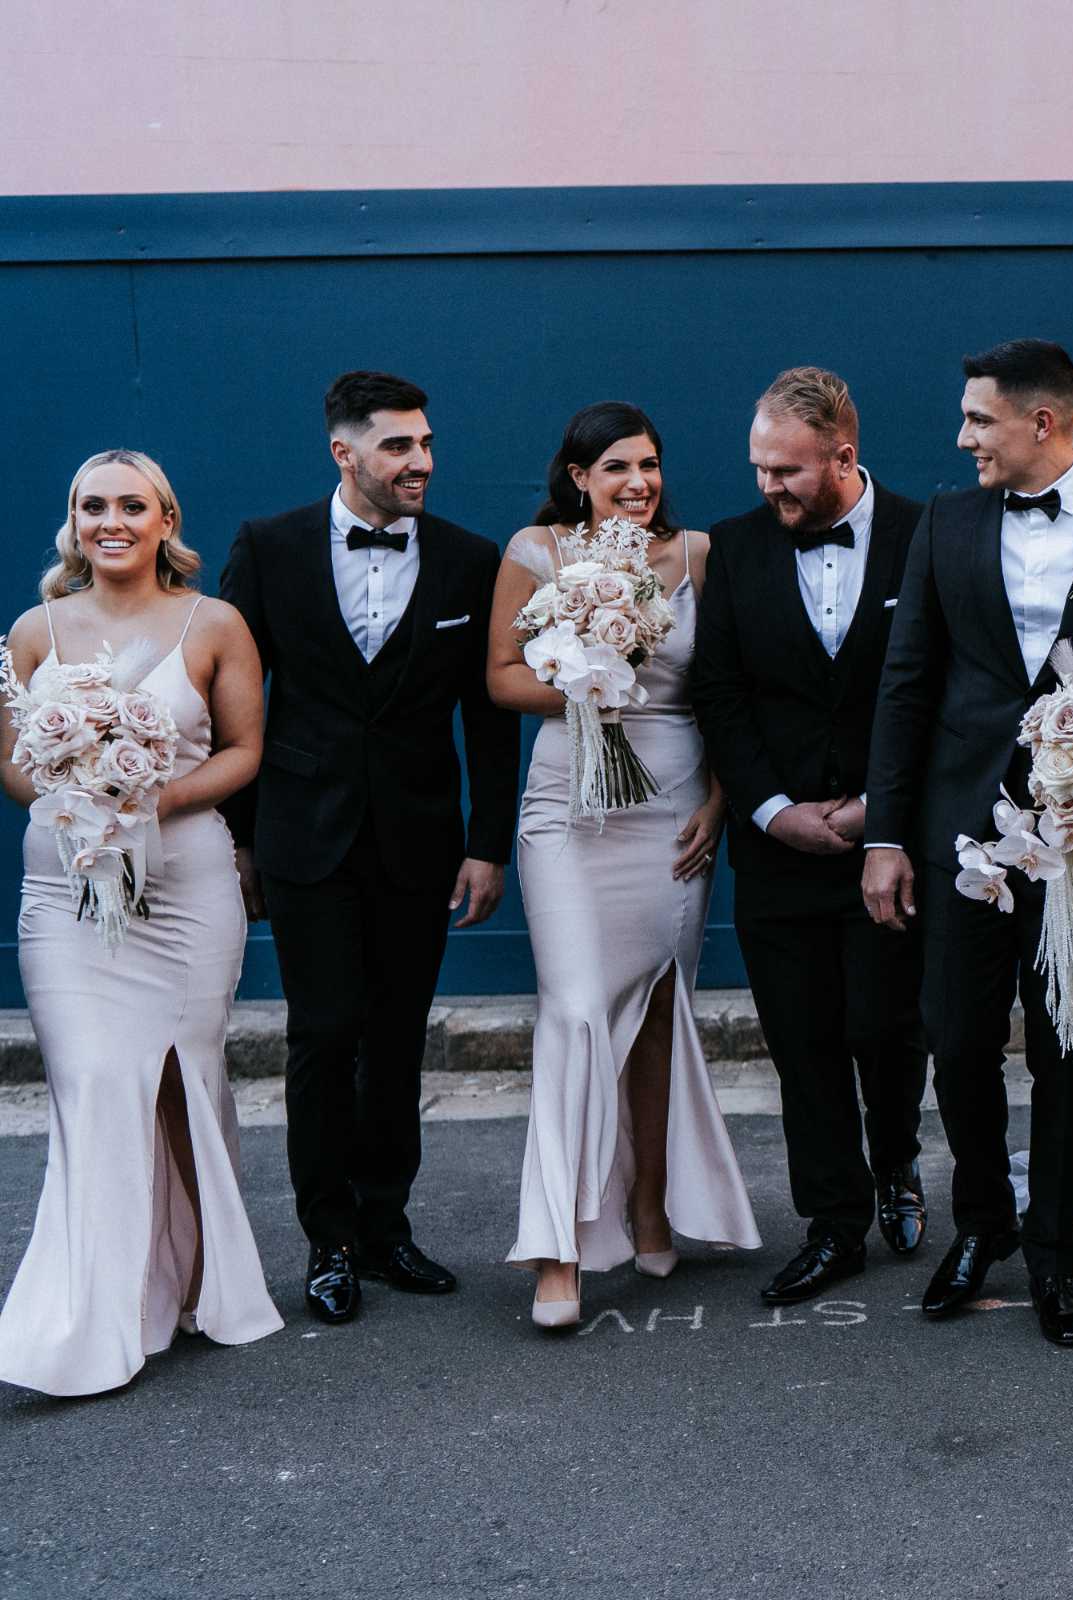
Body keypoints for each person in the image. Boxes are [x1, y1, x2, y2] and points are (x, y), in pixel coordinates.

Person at [219, 371, 518, 1325]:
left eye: (425, 443)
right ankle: (329, 1240)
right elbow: (230, 703)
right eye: (397, 446)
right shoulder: (268, 549)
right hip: (302, 836)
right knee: (322, 1034)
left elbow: (491, 718)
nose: (420, 462)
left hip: (420, 838)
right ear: (344, 452)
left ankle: (388, 1226)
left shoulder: (472, 561)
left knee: (396, 1038)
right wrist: (240, 842)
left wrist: (488, 844)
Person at [862, 338, 1073, 1346]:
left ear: (1041, 422)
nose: (962, 436)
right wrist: (887, 833)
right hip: (960, 830)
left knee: (1069, 1046)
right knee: (959, 1039)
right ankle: (983, 1224)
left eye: (979, 419)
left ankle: (1058, 1255)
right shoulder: (948, 520)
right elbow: (906, 683)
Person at [0, 450, 282, 1394]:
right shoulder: (33, 631)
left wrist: (148, 799)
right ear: (72, 522)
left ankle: (204, 1277)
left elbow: (245, 750)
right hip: (68, 889)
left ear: (167, 519)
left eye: (131, 505)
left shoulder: (216, 624)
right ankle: (94, 1311)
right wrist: (79, 792)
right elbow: (13, 769)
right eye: (92, 506)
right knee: (89, 1079)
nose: (109, 520)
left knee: (181, 1078)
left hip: (184, 887)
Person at [491, 402, 757, 1328]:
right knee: (573, 1011)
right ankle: (558, 1249)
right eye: (616, 469)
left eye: (648, 466)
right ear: (578, 478)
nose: (638, 483)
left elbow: (725, 688)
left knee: (653, 1015)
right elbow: (499, 675)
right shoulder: (537, 551)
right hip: (569, 807)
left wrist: (722, 802)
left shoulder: (701, 557)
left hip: (674, 808)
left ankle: (651, 1204)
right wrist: (587, 671)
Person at [690, 367, 929, 1306]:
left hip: (890, 845)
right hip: (777, 846)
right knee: (803, 1043)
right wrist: (770, 810)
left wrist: (881, 808)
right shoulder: (737, 549)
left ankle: (898, 1164)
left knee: (885, 1025)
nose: (768, 488)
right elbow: (720, 693)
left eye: (786, 471)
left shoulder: (924, 537)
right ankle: (833, 1223)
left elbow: (938, 691)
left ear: (843, 457)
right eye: (758, 469)